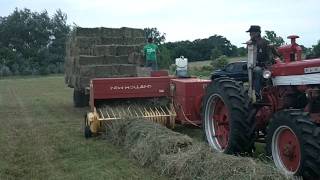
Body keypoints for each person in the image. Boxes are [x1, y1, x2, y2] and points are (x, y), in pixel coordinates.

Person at [246, 25, 280, 98]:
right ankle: (257, 94)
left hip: (266, 65)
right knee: (258, 71)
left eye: (252, 32)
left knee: (273, 73)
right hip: (256, 66)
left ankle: (275, 92)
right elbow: (249, 55)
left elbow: (276, 54)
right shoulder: (250, 43)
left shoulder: (265, 42)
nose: (250, 34)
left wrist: (273, 48)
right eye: (250, 33)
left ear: (257, 33)